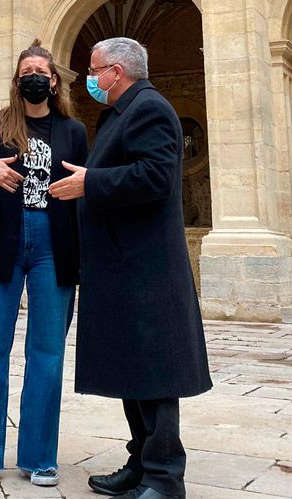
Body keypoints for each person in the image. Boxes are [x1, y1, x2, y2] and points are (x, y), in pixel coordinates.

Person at [49, 37, 212, 499]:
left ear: (117, 72)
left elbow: (157, 177)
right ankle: (139, 464)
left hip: (146, 268)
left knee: (156, 373)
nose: (91, 78)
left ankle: (164, 478)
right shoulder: (120, 112)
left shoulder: (151, 108)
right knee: (131, 369)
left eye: (95, 69)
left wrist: (89, 182)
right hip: (121, 266)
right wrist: (90, 181)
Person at [0, 40, 88, 488]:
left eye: (41, 71)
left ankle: (39, 457)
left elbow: (85, 189)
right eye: (26, 70)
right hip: (3, 242)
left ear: (53, 81)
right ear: (17, 81)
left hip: (55, 243)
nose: (34, 76)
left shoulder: (73, 130)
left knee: (47, 354)